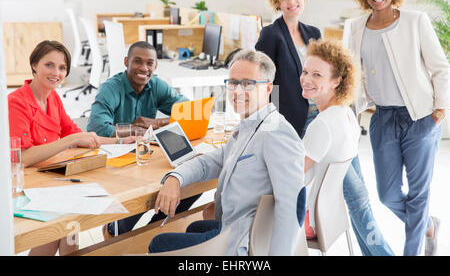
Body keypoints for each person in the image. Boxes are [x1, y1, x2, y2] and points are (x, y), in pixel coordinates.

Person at [255, 0, 393, 255]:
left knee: (359, 195)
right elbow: (265, 81)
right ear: (277, 2)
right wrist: (272, 121)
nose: (291, 1)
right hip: (296, 123)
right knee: (356, 197)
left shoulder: (312, 32)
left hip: (323, 117)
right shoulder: (271, 34)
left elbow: (326, 76)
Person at [148, 49, 306, 255]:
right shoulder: (248, 125)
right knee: (194, 227)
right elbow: (211, 162)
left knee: (159, 244)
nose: (237, 92)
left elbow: (294, 202)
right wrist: (175, 177)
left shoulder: (275, 132)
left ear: (268, 88)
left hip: (244, 241)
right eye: (232, 83)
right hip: (235, 226)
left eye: (248, 84)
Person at [346, 0, 449, 256]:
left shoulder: (416, 21)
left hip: (419, 117)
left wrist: (439, 111)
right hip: (382, 118)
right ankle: (427, 224)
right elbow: (350, 74)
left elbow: (440, 68)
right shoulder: (354, 27)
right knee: (387, 194)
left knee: (418, 195)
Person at [7, 40, 130, 255]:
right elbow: (22, 158)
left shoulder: (53, 97)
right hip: (25, 185)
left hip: (52, 181)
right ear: (34, 65)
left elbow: (77, 135)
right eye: (49, 65)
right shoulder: (16, 102)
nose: (56, 72)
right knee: (65, 227)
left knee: (70, 228)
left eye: (62, 68)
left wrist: (121, 142)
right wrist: (68, 141)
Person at [86, 41, 201, 238]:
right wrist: (136, 131)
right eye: (137, 61)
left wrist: (156, 123)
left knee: (191, 181)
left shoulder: (155, 84)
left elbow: (189, 109)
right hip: (115, 159)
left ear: (155, 66)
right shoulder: (110, 88)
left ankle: (153, 232)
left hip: (145, 156)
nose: (143, 68)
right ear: (126, 62)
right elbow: (96, 128)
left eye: (149, 63)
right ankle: (117, 230)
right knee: (147, 189)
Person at [299, 39, 360, 238]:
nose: (306, 79)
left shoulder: (322, 124)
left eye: (317, 75)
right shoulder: (347, 114)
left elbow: (292, 175)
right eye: (305, 71)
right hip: (330, 215)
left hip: (310, 220)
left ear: (337, 80)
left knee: (227, 208)